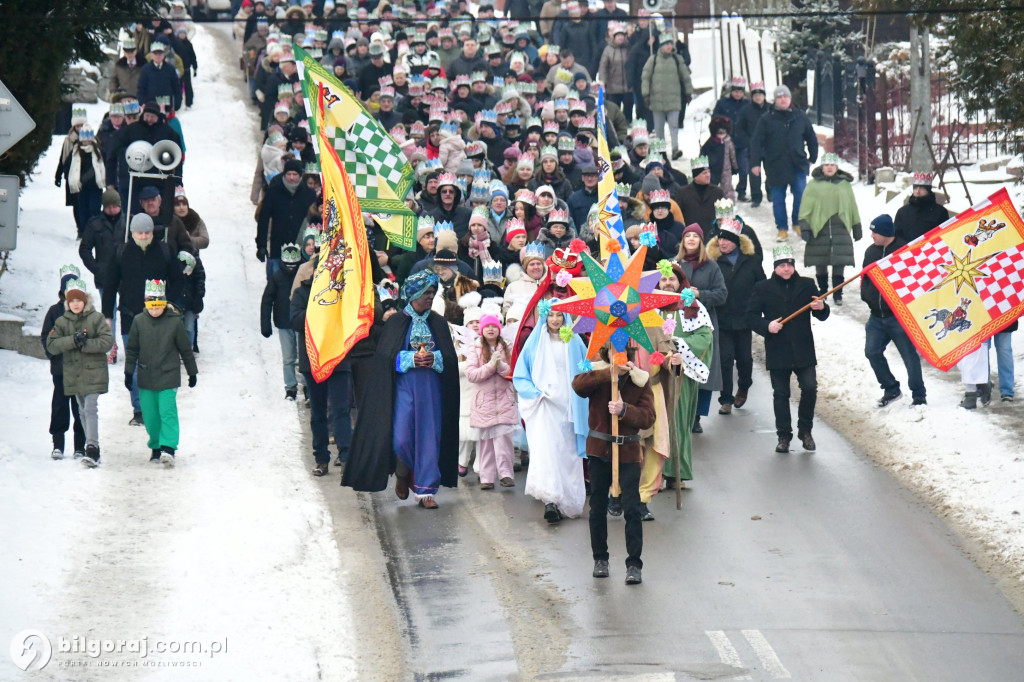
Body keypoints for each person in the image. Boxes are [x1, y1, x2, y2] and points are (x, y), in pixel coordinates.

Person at [342, 271, 460, 509]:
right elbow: (385, 357)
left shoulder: (437, 322)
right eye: (425, 292)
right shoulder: (396, 322)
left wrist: (434, 359)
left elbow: (449, 356)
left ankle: (427, 492)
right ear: (413, 293)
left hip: (431, 389)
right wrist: (410, 359)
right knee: (401, 438)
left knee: (429, 437)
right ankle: (402, 471)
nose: (430, 296)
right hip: (404, 387)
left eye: (432, 292)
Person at [572, 344, 656, 585]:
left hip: (628, 451)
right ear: (607, 354)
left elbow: (649, 416)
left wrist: (624, 410)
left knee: (632, 509)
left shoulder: (639, 379)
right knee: (597, 506)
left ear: (628, 353)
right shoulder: (595, 373)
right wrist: (607, 373)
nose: (617, 355)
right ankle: (600, 559)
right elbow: (577, 386)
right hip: (599, 450)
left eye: (621, 351)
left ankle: (634, 564)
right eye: (612, 351)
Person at [103, 213, 184, 426]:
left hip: (159, 317)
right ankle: (139, 409)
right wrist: (107, 316)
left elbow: (177, 280)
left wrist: (171, 304)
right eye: (140, 232)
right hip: (130, 316)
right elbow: (110, 285)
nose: (144, 236)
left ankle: (155, 404)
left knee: (157, 362)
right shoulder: (121, 253)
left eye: (147, 232)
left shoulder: (164, 251)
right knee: (136, 363)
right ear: (132, 233)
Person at [747, 245, 830, 453]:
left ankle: (805, 430)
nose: (786, 269)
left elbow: (821, 314)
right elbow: (751, 317)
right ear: (775, 267)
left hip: (803, 348)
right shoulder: (762, 288)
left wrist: (822, 307)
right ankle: (783, 435)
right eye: (782, 266)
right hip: (778, 349)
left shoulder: (807, 284)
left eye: (789, 265)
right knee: (781, 394)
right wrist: (767, 326)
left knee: (810, 388)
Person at [514, 306, 590, 522]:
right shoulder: (535, 342)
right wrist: (535, 394)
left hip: (568, 405)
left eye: (559, 315)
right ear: (544, 317)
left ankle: (568, 500)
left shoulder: (575, 341)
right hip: (544, 405)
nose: (555, 320)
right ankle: (550, 501)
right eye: (551, 315)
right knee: (546, 452)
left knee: (567, 453)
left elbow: (586, 370)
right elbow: (521, 374)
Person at [290, 257, 355, 476]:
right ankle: (321, 458)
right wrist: (319, 312)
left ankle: (346, 455)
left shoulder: (342, 292)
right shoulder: (302, 292)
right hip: (313, 360)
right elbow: (295, 320)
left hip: (337, 359)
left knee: (341, 409)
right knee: (318, 412)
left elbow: (351, 318)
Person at [123, 279, 198, 468]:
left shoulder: (174, 323)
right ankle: (156, 446)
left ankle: (169, 447)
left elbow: (185, 349)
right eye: (151, 307)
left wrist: (192, 372)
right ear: (146, 305)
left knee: (168, 412)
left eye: (158, 307)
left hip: (168, 375)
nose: (155, 311)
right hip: (146, 376)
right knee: (150, 416)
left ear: (164, 304)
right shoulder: (139, 322)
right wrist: (128, 371)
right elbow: (132, 349)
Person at [45, 278, 114, 467]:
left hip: (93, 373)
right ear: (67, 303)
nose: (75, 304)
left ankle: (92, 447)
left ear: (85, 301)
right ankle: (91, 448)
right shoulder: (61, 321)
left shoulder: (96, 318)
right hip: (73, 373)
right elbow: (51, 344)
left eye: (79, 300)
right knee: (82, 411)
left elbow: (107, 341)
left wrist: (87, 343)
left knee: (90, 408)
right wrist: (73, 341)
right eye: (72, 301)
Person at [860, 214, 927, 408]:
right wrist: (868, 296)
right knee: (871, 352)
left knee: (909, 356)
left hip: (898, 317)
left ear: (886, 233)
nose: (872, 236)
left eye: (875, 232)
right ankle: (890, 388)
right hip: (876, 316)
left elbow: (913, 282)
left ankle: (919, 394)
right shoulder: (870, 252)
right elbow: (865, 278)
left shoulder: (903, 251)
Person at [707, 218, 765, 414]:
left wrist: (761, 311)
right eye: (720, 240)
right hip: (722, 318)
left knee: (744, 359)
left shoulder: (752, 261)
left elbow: (762, 287)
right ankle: (726, 399)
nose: (722, 243)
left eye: (727, 240)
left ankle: (744, 386)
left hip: (744, 318)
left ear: (737, 241)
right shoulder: (713, 262)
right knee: (725, 359)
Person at [675, 224, 726, 433]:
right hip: (678, 322)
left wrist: (700, 295)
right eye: (688, 236)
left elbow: (722, 294)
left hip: (702, 322)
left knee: (701, 365)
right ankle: (678, 409)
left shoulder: (711, 266)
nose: (691, 239)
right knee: (680, 366)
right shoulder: (674, 263)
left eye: (696, 236)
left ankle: (696, 416)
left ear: (701, 241)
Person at [749, 85, 818, 242]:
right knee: (778, 199)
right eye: (779, 97)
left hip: (797, 164)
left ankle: (797, 222)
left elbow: (811, 138)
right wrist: (755, 163)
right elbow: (756, 142)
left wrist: (812, 158)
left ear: (790, 98)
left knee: (801, 194)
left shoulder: (800, 116)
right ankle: (782, 228)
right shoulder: (766, 119)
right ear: (775, 100)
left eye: (785, 96)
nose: (783, 100)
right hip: (775, 165)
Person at [798, 152, 861, 305]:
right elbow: (805, 207)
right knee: (821, 261)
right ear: (822, 167)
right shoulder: (813, 185)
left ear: (836, 167)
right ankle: (823, 290)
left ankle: (838, 293)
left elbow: (852, 205)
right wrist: (805, 226)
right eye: (827, 165)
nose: (829, 168)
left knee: (840, 261)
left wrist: (856, 225)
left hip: (841, 227)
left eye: (832, 165)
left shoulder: (844, 184)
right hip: (820, 228)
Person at [465, 314, 519, 489]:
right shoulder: (475, 348)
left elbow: (513, 372)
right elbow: (471, 374)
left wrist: (500, 365)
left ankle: (505, 474)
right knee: (486, 442)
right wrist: (490, 366)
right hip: (484, 403)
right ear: (482, 329)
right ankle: (486, 478)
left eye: (494, 326)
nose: (490, 329)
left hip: (504, 400)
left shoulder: (507, 347)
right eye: (487, 326)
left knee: (504, 439)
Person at [42, 266, 89, 460]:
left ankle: (80, 445)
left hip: (80, 370)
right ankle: (58, 444)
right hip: (61, 370)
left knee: (80, 409)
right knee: (60, 406)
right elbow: (46, 336)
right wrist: (54, 356)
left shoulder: (87, 314)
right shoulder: (55, 311)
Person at [256, 158, 318, 280]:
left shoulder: (309, 194)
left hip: (301, 246)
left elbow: (315, 220)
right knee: (276, 280)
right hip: (278, 245)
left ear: (300, 175)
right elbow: (263, 219)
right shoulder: (274, 191)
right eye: (288, 174)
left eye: (294, 174)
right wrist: (261, 245)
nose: (291, 177)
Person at [262, 243, 305, 401]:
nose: (291, 268)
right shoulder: (277, 278)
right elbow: (267, 300)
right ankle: (290, 388)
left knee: (304, 357)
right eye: (288, 265)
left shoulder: (303, 276)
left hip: (301, 323)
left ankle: (306, 387)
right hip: (284, 323)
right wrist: (265, 324)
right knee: (288, 358)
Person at [640, 33, 692, 161]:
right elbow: (645, 77)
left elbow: (685, 76)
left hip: (674, 99)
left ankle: (675, 149)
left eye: (670, 44)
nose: (669, 47)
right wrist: (645, 94)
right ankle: (661, 150)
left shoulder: (677, 59)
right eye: (666, 44)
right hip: (657, 101)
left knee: (674, 126)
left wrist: (688, 92)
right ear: (661, 46)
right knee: (659, 128)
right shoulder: (654, 60)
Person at [734, 81, 769, 205]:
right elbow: (738, 128)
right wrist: (748, 141)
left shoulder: (771, 109)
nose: (758, 97)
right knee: (754, 173)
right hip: (752, 147)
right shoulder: (746, 110)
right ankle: (756, 197)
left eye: (760, 94)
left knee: (770, 170)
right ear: (752, 97)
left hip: (769, 145)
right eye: (755, 95)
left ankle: (770, 193)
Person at [673, 156, 724, 235]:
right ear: (696, 176)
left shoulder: (718, 192)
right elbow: (678, 215)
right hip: (691, 236)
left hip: (712, 237)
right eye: (704, 173)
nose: (708, 175)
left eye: (708, 172)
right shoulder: (682, 193)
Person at [894, 172, 950, 244]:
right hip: (907, 252)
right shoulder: (902, 212)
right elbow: (896, 236)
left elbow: (944, 236)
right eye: (916, 187)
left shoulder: (940, 212)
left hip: (930, 252)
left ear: (928, 190)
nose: (918, 191)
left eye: (922, 188)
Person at [136, 40, 182, 112]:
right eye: (155, 53)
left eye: (160, 53)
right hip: (150, 108)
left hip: (167, 108)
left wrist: (177, 104)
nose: (158, 56)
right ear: (151, 55)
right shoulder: (145, 70)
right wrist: (142, 104)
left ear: (163, 55)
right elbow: (141, 89)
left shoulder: (170, 69)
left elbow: (176, 87)